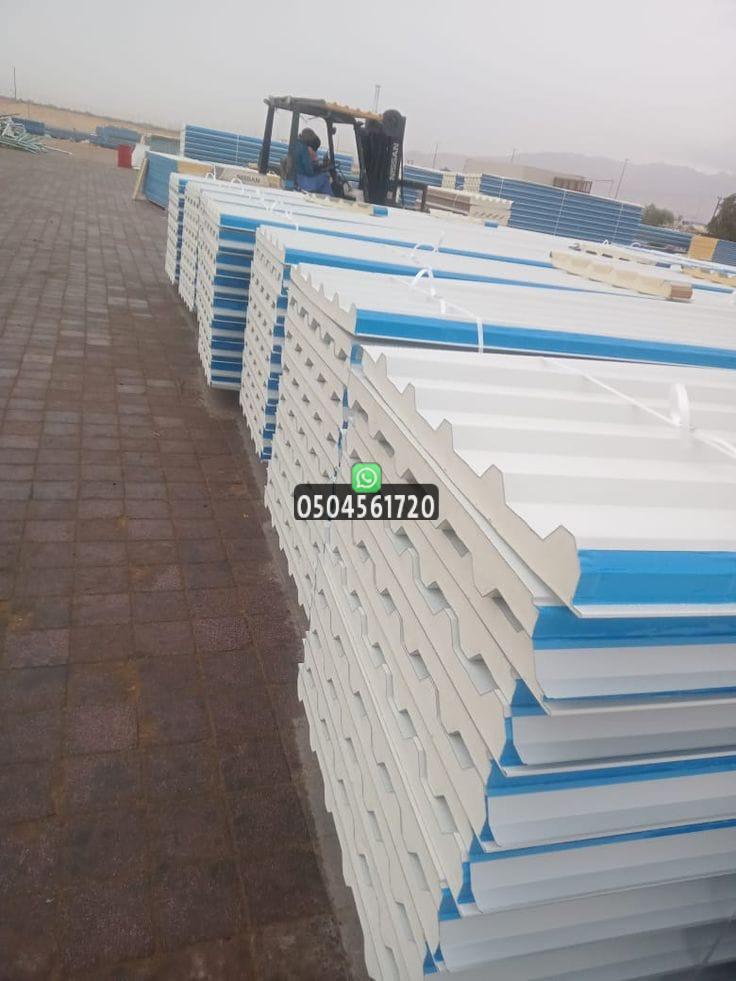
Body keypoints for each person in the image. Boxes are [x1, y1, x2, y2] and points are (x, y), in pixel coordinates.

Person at [294, 128, 333, 195]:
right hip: (301, 180)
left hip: (297, 178)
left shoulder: (296, 144)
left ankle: (324, 197)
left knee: (321, 178)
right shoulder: (304, 149)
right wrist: (318, 167)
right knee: (325, 177)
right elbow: (309, 171)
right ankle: (332, 199)